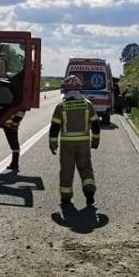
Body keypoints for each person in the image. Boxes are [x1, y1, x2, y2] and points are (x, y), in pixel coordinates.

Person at [49, 75, 101, 207]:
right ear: (79, 89)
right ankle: (89, 195)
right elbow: (95, 124)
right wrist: (95, 140)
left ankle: (66, 199)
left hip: (67, 145)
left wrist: (53, 143)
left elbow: (55, 127)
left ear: (66, 90)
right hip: (83, 144)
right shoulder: (87, 104)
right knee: (86, 169)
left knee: (67, 170)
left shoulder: (61, 106)